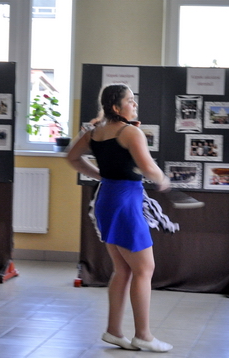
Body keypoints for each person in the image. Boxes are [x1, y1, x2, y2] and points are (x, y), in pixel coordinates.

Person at [66, 83, 173, 353]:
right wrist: (163, 179)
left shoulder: (94, 132)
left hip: (107, 199)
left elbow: (72, 157)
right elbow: (148, 167)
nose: (135, 104)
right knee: (144, 269)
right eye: (130, 100)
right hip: (125, 203)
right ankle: (143, 336)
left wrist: (101, 175)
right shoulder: (130, 132)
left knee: (124, 269)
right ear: (116, 107)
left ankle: (114, 331)